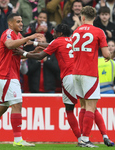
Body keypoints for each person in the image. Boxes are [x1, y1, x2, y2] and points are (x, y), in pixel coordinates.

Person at [0, 13, 41, 147]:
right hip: (7, 75)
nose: (21, 23)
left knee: (1, 108)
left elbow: (18, 57)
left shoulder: (18, 36)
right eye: (18, 21)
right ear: (10, 24)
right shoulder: (8, 33)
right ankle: (18, 140)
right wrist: (29, 37)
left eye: (21, 21)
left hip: (7, 75)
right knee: (17, 104)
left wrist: (34, 52)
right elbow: (9, 44)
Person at [15, 23, 81, 146]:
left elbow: (40, 55)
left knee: (70, 110)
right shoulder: (72, 40)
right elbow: (52, 45)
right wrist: (35, 43)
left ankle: (80, 138)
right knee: (88, 107)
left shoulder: (57, 41)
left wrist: (23, 53)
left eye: (55, 32)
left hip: (68, 77)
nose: (53, 34)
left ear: (60, 33)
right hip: (81, 76)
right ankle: (94, 137)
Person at [72, 6, 110, 147]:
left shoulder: (75, 32)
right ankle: (85, 139)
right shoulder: (98, 31)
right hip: (89, 73)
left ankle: (82, 137)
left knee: (82, 106)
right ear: (95, 17)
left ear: (82, 17)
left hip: (76, 72)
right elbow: (106, 54)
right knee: (90, 107)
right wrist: (109, 55)